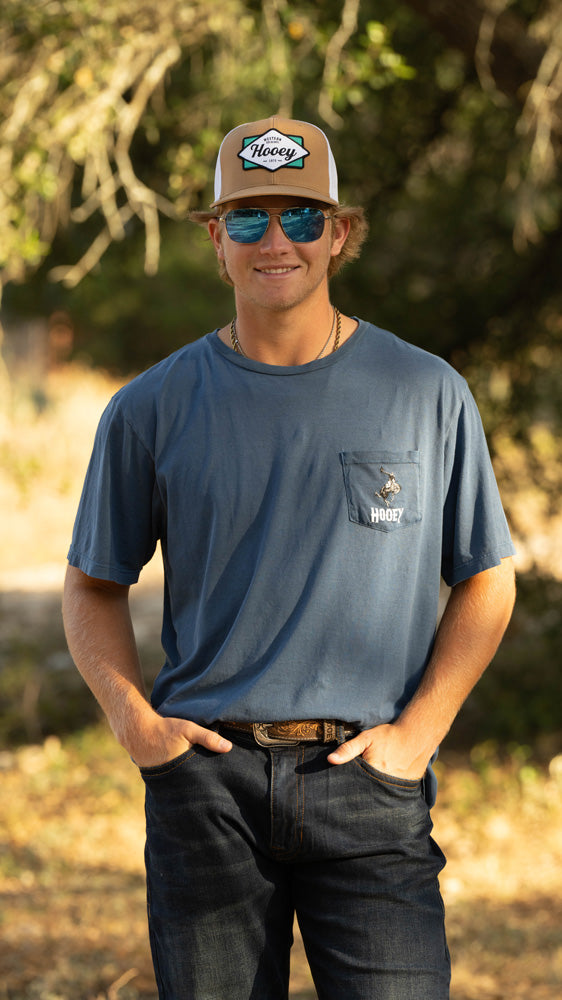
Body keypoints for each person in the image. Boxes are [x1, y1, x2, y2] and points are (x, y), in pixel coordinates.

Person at [63, 115, 516, 1000]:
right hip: (206, 790)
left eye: (303, 218)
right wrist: (138, 729)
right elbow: (91, 585)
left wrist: (417, 737)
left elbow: (487, 576)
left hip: (372, 788)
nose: (277, 242)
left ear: (340, 234)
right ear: (215, 240)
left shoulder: (427, 392)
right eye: (249, 219)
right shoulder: (148, 408)